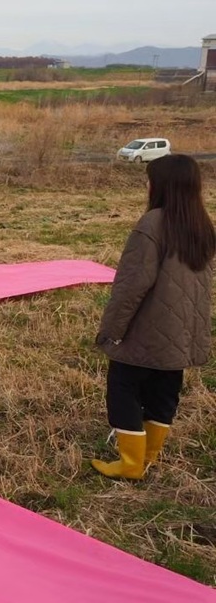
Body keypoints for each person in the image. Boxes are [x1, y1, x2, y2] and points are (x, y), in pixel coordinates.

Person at [92, 154, 215, 480]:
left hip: (145, 333)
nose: (147, 185)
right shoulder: (201, 226)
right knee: (164, 392)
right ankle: (149, 457)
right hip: (182, 335)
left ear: (162, 186)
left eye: (150, 179)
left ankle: (130, 463)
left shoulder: (151, 225)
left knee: (123, 389)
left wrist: (112, 330)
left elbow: (131, 286)